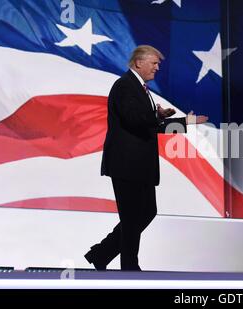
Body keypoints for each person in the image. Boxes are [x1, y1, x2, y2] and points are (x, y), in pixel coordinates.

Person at [84, 45, 208, 271]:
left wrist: (182, 123)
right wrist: (157, 116)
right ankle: (129, 268)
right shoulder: (124, 86)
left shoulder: (142, 89)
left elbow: (151, 125)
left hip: (141, 165)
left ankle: (101, 254)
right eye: (154, 63)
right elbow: (135, 121)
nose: (157, 68)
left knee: (146, 212)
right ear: (139, 63)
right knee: (132, 218)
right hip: (126, 163)